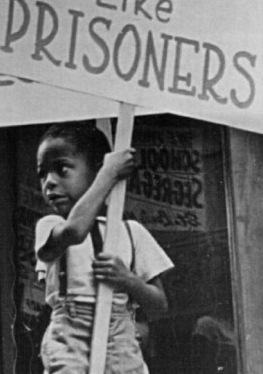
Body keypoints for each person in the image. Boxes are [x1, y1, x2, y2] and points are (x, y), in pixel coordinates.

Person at [34, 121, 173, 374]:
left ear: (96, 170)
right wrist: (109, 175)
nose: (49, 182)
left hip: (120, 332)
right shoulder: (51, 226)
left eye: (62, 170)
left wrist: (129, 280)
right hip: (70, 335)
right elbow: (75, 232)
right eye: (43, 174)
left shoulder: (131, 232)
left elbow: (159, 306)